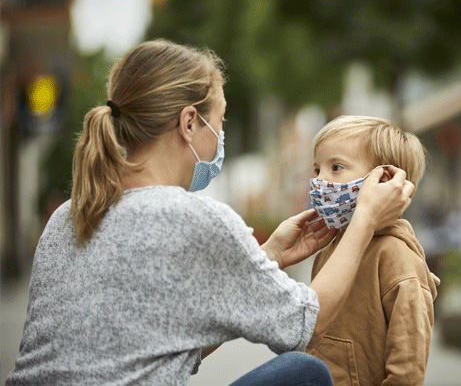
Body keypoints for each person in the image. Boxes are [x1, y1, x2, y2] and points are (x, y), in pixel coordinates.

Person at [6, 40, 415, 386]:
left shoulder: (68, 216)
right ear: (189, 122)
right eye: (218, 122)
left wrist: (267, 257)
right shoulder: (191, 217)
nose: (220, 136)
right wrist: (365, 218)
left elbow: (154, 350)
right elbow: (306, 322)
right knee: (304, 371)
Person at [305, 116, 441, 386]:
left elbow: (408, 371)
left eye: (336, 167)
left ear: (385, 179)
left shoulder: (397, 258)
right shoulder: (331, 249)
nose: (320, 182)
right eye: (317, 169)